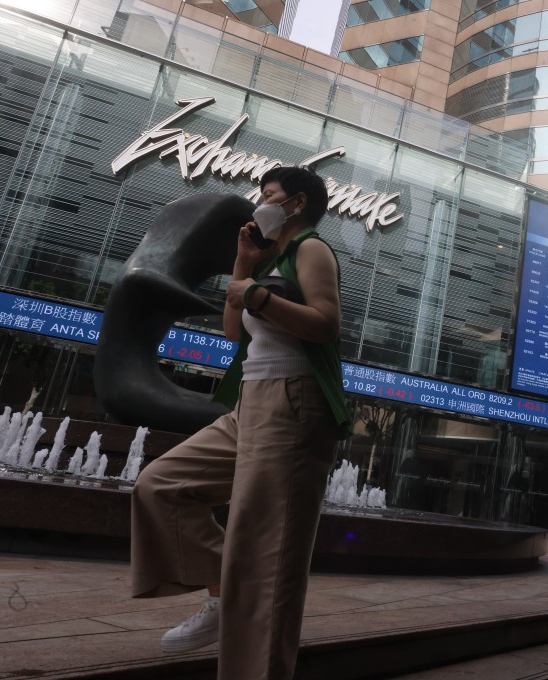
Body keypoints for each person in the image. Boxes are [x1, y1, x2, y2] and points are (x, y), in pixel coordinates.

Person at [130, 166, 353, 680]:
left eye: (268, 195)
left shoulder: (310, 250)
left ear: (296, 203)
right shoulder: (270, 259)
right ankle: (223, 588)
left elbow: (326, 324)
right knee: (163, 485)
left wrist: (257, 294)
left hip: (293, 401)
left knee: (267, 558)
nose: (260, 203)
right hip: (250, 400)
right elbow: (236, 332)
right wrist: (243, 265)